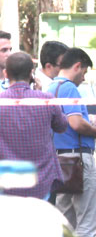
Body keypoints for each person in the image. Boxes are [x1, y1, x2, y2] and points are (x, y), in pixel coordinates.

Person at [47, 48, 96, 237]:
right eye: (84, 72)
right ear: (77, 66)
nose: (84, 78)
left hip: (60, 161)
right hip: (79, 160)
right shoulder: (70, 88)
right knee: (87, 225)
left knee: (66, 224)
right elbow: (75, 123)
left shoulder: (51, 88)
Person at [0, 52, 68, 198]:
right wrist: (40, 94)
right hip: (41, 180)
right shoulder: (46, 100)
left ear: (6, 73)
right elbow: (62, 126)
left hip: (6, 182)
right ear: (31, 73)